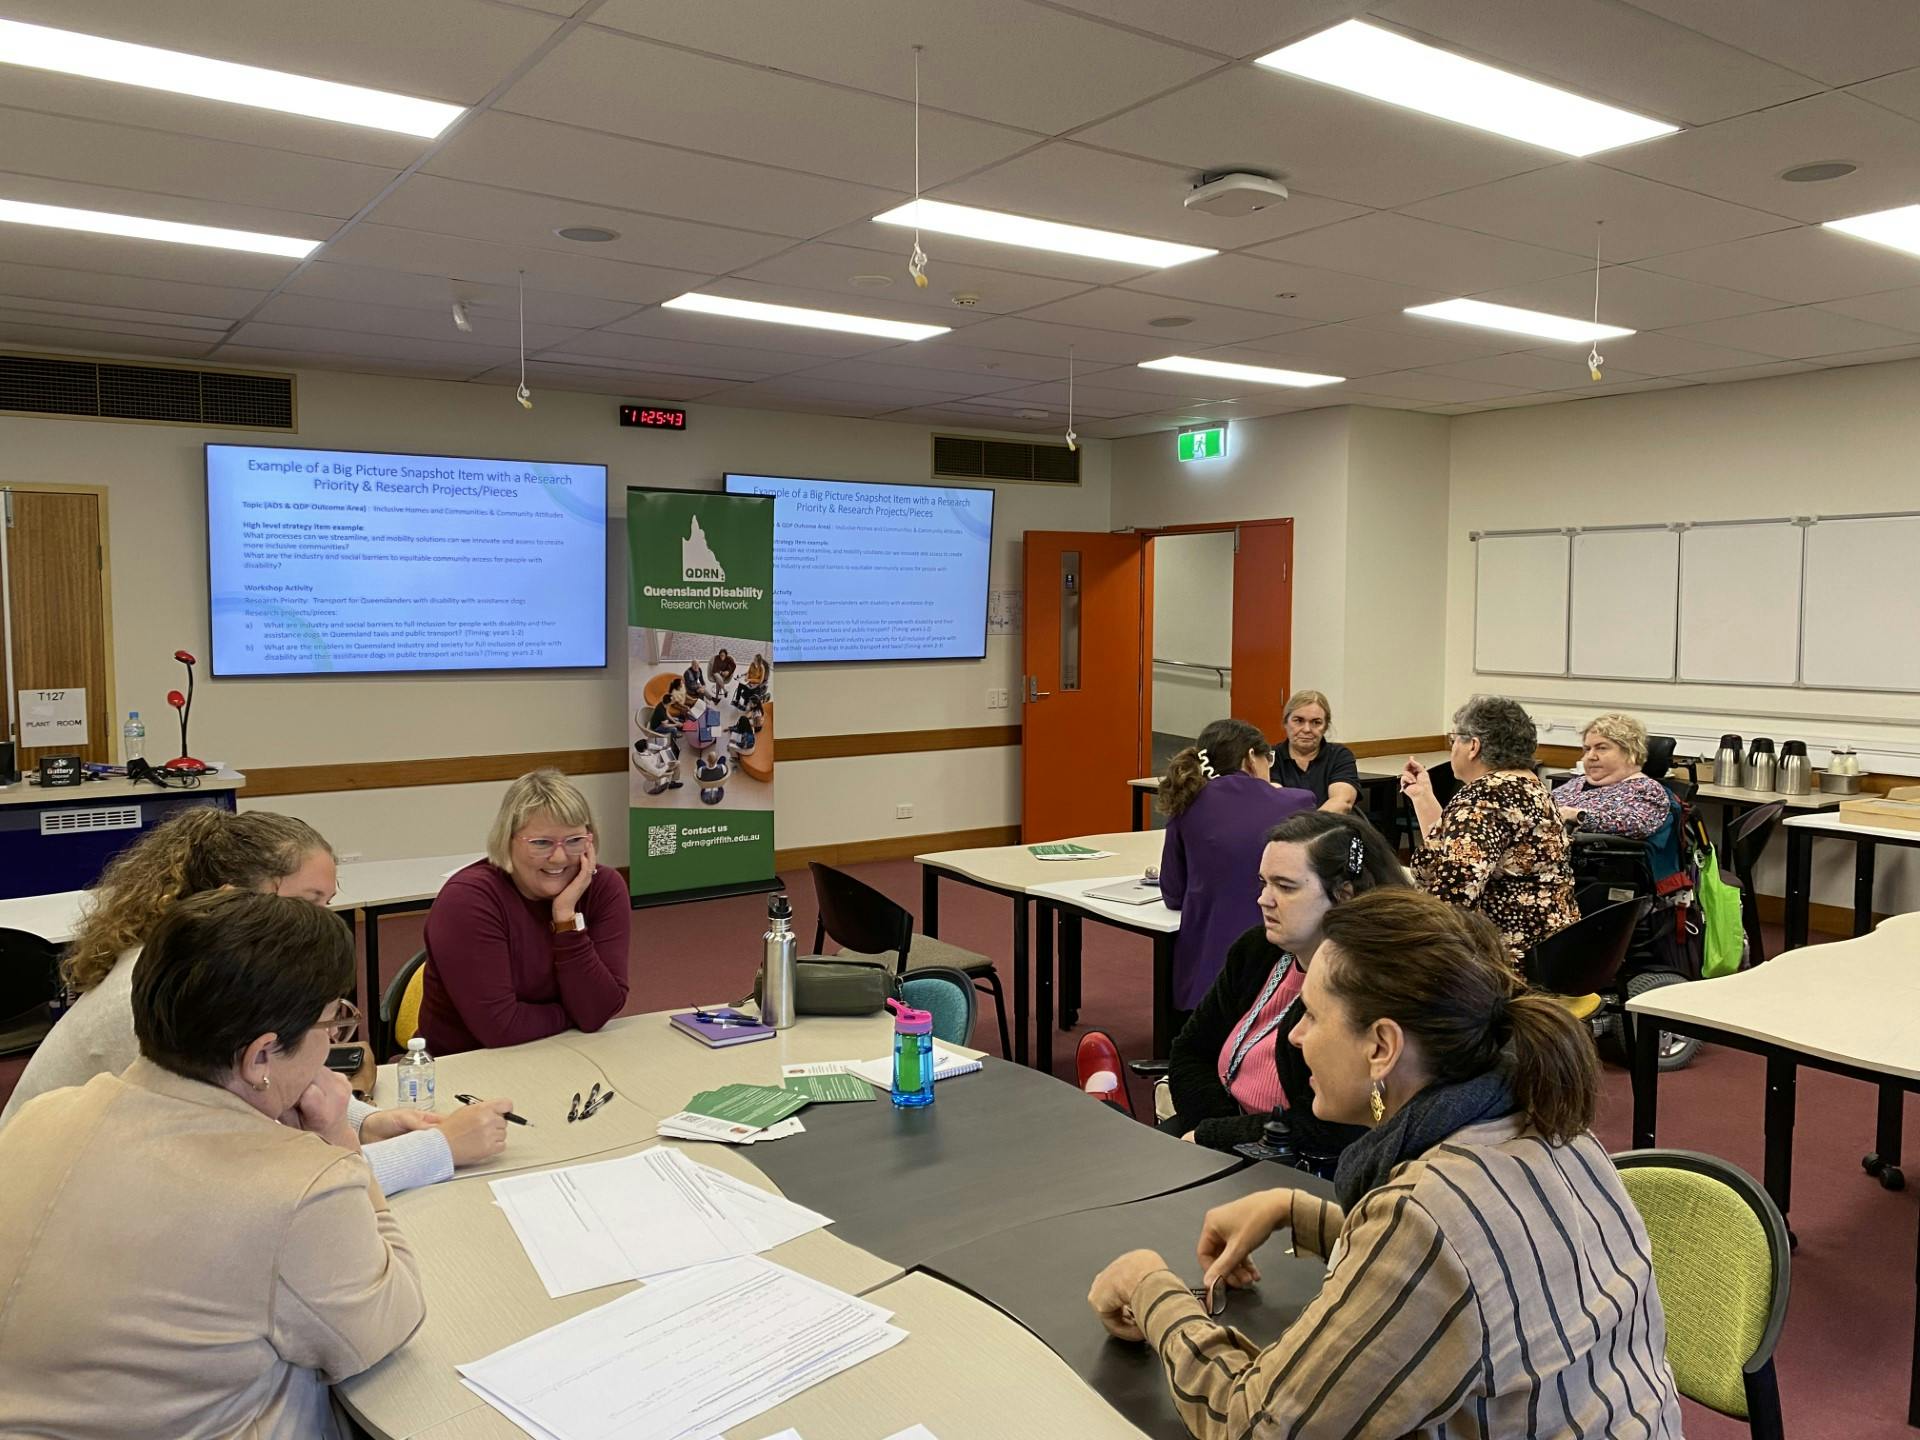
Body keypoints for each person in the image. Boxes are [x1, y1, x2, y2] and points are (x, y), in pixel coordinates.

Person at [1088, 888, 1682, 1438]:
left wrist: (1150, 1289)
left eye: (1313, 1016)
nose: (1295, 1038)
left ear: (1380, 1047)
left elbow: (1258, 1428)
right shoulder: (1552, 1125)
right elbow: (1471, 1279)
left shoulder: (1427, 1215)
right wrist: (1300, 1212)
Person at [0, 889, 427, 1438]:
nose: (333, 1045)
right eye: (331, 1025)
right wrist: (337, 1137)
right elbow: (392, 1319)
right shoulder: (296, 1189)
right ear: (259, 1056)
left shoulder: (41, 1114)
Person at [0, 811, 510, 1191]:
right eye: (307, 903)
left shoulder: (204, 964)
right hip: (65, 1199)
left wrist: (363, 1122)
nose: (320, 925)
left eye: (326, 905)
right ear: (233, 897)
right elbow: (257, 1179)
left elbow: (280, 1093)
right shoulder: (171, 993)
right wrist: (437, 1149)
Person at [1161, 811, 1405, 1166]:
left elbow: (1341, 1125)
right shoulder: (1258, 950)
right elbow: (1190, 1051)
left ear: (1345, 896)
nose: (1264, 899)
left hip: (1292, 1163)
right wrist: (1212, 1131)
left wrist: (1215, 1137)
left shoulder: (1370, 987)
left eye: (1285, 887)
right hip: (1220, 1133)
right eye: (1264, 883)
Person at [419, 768, 630, 1054]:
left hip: (564, 1053)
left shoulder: (604, 888)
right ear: (507, 840)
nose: (559, 857)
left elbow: (598, 1011)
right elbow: (500, 1029)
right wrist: (576, 1014)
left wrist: (566, 917)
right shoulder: (469, 900)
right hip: (467, 1066)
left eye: (574, 841)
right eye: (541, 843)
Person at [1402, 694, 1578, 964]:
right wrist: (1422, 795)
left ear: (1473, 746)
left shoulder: (1484, 799)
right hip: (1553, 952)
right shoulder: (1530, 787)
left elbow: (1454, 897)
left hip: (1504, 960)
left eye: (1454, 741)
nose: (1452, 749)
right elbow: (1457, 849)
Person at [1158, 719, 1316, 1010]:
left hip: (1205, 971)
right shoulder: (1299, 803)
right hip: (1276, 968)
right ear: (1251, 759)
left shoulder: (1186, 803)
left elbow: (1173, 893)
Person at [1554, 711, 1672, 838]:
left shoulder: (1646, 789)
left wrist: (1579, 816)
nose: (1590, 756)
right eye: (1587, 749)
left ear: (1631, 753)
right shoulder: (1576, 782)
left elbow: (1638, 824)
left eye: (1601, 748)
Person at [1271, 689, 1360, 812]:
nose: (1307, 729)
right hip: (1283, 828)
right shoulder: (1270, 757)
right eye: (1298, 720)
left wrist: (1310, 829)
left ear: (1325, 727)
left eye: (1316, 722)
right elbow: (1273, 802)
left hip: (1330, 827)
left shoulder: (1339, 756)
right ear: (1285, 722)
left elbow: (1342, 802)